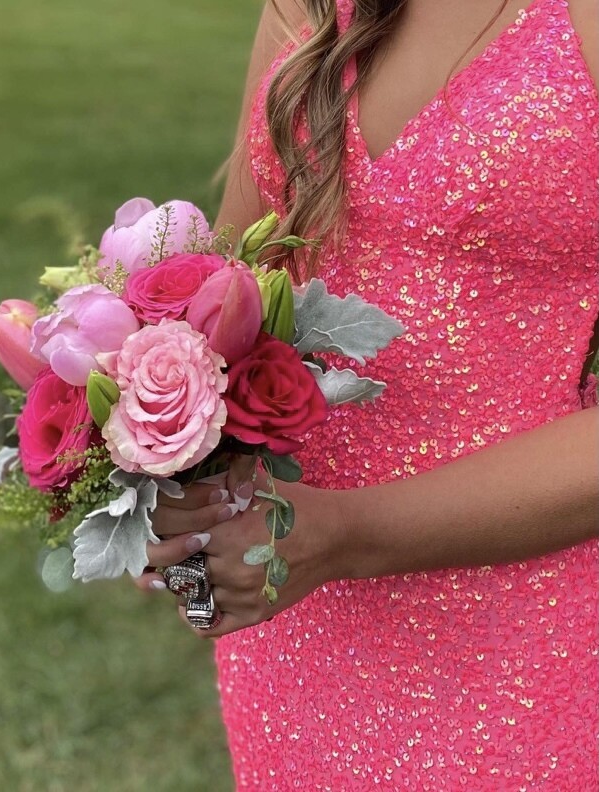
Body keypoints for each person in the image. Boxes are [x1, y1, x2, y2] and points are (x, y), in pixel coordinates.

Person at [137, 0, 599, 787]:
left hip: (533, 621)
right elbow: (237, 277)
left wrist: (343, 535)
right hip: (297, 618)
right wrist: (172, 462)